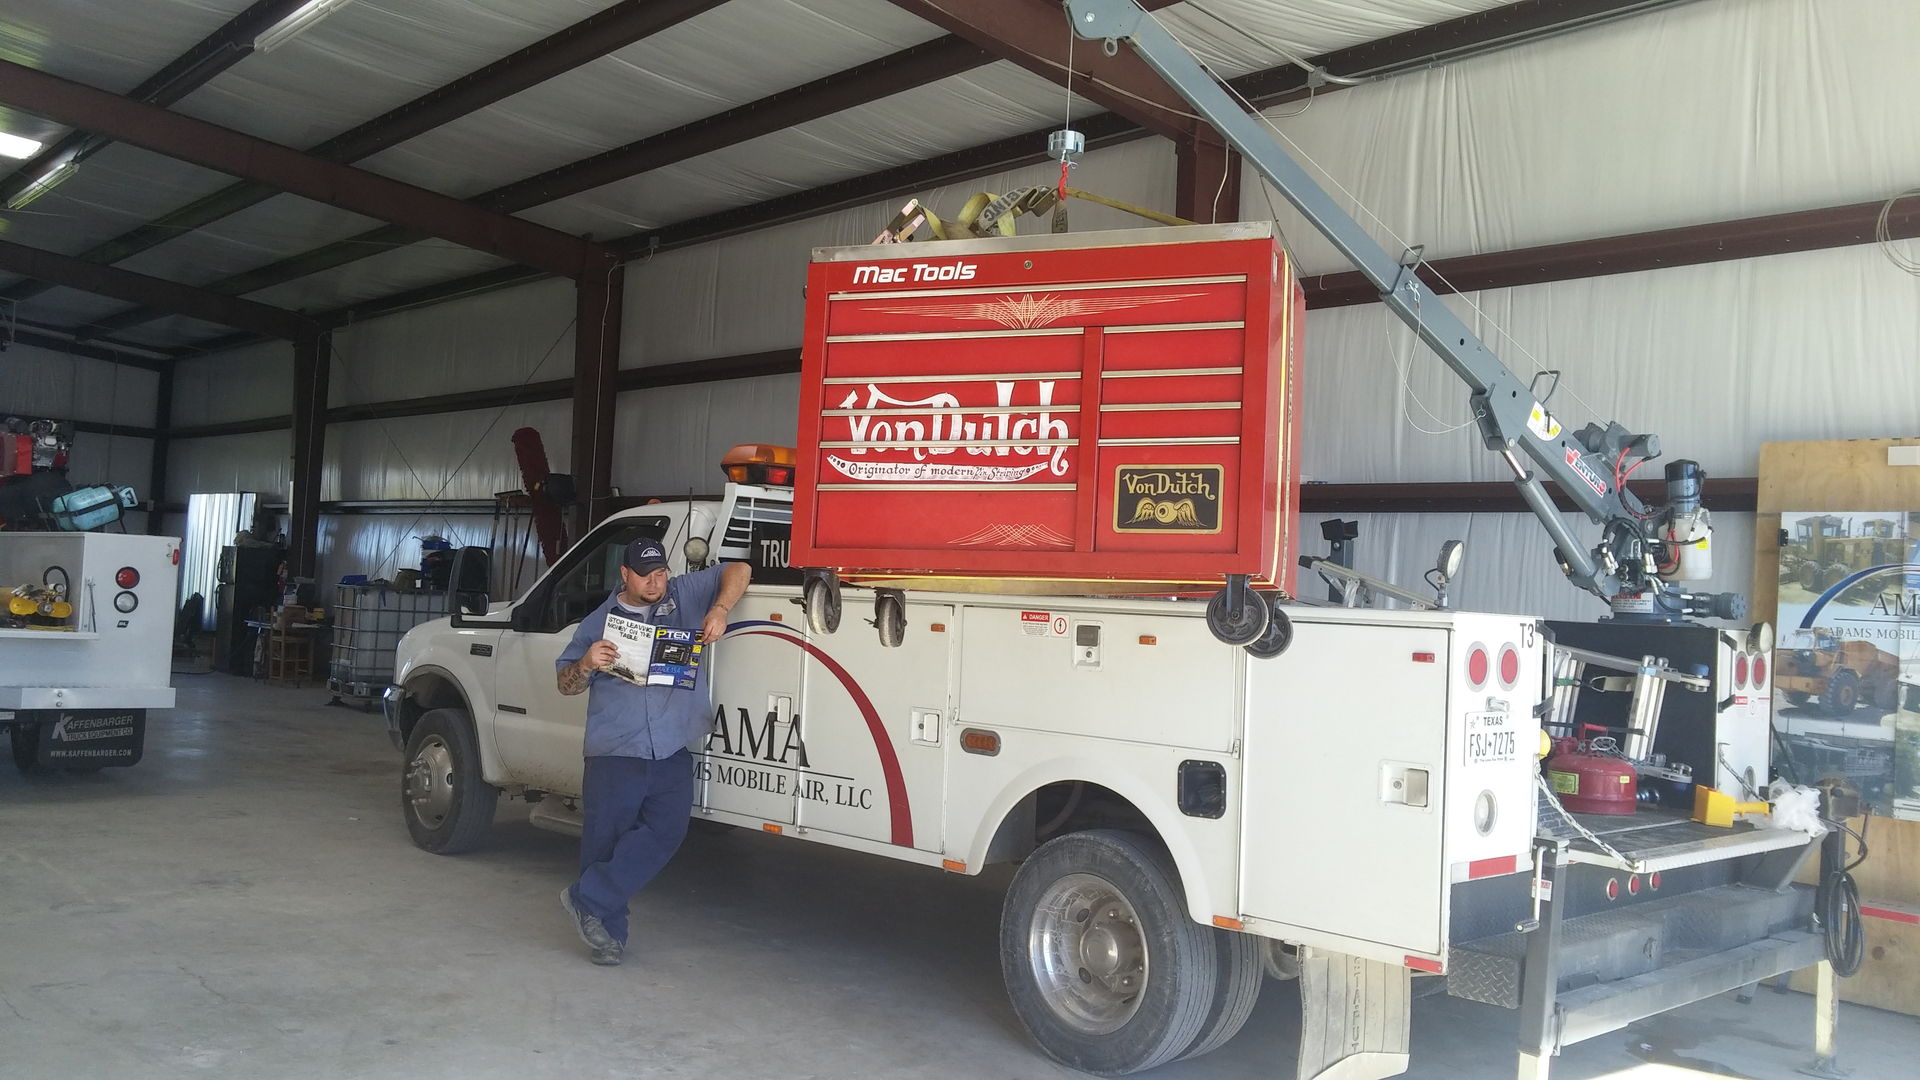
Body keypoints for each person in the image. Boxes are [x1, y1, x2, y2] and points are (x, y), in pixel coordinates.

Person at [554, 538, 750, 965]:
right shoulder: (598, 623)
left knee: (669, 829)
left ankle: (586, 898)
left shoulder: (683, 594)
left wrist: (719, 609)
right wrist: (587, 663)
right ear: (624, 575)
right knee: (606, 842)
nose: (656, 581)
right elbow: (565, 683)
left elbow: (739, 569)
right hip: (616, 750)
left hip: (670, 746)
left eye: (660, 572)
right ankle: (610, 937)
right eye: (646, 575)